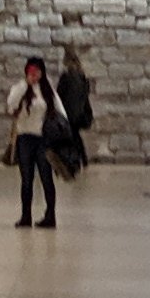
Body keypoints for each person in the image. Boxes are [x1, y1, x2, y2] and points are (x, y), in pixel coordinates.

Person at [8, 54, 60, 228]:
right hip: (25, 137)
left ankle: (50, 215)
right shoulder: (20, 87)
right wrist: (25, 85)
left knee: (46, 177)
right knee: (26, 179)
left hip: (43, 138)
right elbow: (11, 105)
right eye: (31, 71)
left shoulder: (47, 90)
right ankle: (26, 216)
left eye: (38, 71)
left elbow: (59, 110)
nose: (34, 74)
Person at [55, 45, 96, 169]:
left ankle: (75, 160)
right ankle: (82, 160)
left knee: (71, 136)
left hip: (68, 112)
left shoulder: (66, 77)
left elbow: (59, 95)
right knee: (75, 135)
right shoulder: (83, 78)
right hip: (80, 113)